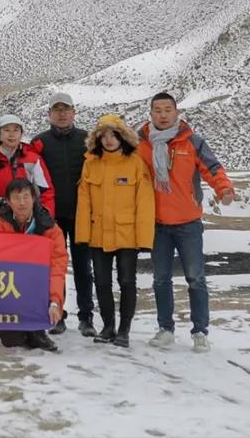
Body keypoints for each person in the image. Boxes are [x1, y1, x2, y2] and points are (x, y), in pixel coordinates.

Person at [139, 92, 234, 353]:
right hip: (157, 224)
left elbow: (212, 168)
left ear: (176, 112)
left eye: (167, 110)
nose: (162, 115)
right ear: (151, 113)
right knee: (161, 279)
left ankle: (200, 332)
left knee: (196, 279)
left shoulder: (191, 141)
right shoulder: (141, 143)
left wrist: (224, 189)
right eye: (158, 110)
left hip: (188, 223)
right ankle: (165, 329)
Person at [75, 114, 155, 348]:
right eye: (104, 136)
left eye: (114, 135)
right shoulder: (90, 164)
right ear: (97, 139)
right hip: (98, 234)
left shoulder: (135, 163)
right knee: (101, 282)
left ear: (123, 137)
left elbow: (145, 202)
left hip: (127, 235)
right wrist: (82, 234)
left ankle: (124, 330)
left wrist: (144, 238)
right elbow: (84, 201)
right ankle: (108, 327)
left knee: (127, 281)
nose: (109, 140)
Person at [32, 92, 95, 337]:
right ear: (49, 114)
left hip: (81, 215)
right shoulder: (40, 142)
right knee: (54, 269)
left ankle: (86, 317)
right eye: (56, 110)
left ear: (73, 113)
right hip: (51, 217)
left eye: (65, 109)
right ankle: (57, 315)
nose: (61, 114)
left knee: (83, 268)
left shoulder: (87, 140)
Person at [0, 178, 68, 352]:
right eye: (16, 198)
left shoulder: (49, 227)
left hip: (36, 284)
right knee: (12, 341)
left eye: (26, 197)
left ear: (34, 199)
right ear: (8, 201)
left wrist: (55, 301)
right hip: (8, 283)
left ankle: (37, 329)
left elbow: (58, 266)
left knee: (51, 277)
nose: (22, 203)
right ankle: (9, 327)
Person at [0, 115, 55, 222]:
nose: (11, 134)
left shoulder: (33, 160)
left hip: (27, 218)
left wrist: (46, 217)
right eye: (6, 130)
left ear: (21, 134)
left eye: (16, 130)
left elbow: (46, 192)